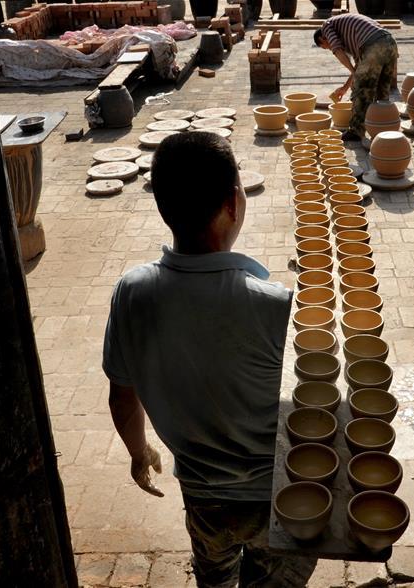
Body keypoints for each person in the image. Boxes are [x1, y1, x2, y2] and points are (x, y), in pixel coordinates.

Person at [103, 132, 317, 587]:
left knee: (213, 570)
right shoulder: (275, 305)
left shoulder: (132, 292)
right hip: (271, 497)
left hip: (203, 499)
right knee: (272, 574)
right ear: (234, 203)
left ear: (163, 207)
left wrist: (139, 454)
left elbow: (123, 397)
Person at [314, 13, 399, 142]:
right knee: (382, 89)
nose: (329, 48)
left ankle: (355, 131)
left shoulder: (326, 26)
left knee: (361, 89)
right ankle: (383, 128)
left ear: (323, 38)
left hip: (374, 46)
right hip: (390, 43)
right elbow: (359, 67)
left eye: (325, 46)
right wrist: (344, 88)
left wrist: (355, 75)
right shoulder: (353, 38)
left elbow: (337, 51)